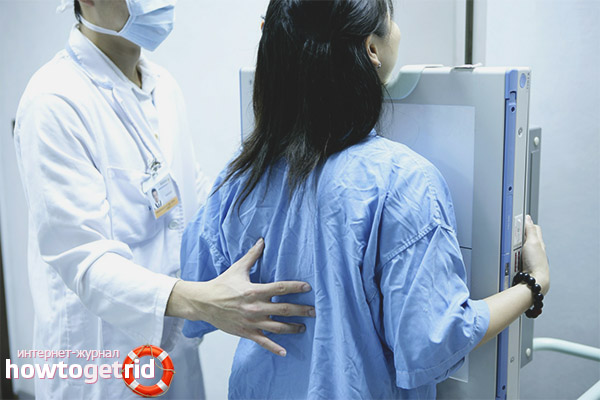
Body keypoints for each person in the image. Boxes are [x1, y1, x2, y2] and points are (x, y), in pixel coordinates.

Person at [180, 0, 551, 398]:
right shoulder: (403, 181)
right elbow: (433, 343)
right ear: (371, 48)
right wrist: (533, 284)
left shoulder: (241, 176)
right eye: (391, 17)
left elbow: (198, 296)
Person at [13, 0, 315, 398]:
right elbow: (86, 261)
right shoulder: (54, 101)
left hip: (172, 352)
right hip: (102, 365)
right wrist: (203, 302)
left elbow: (197, 204)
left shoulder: (164, 87)